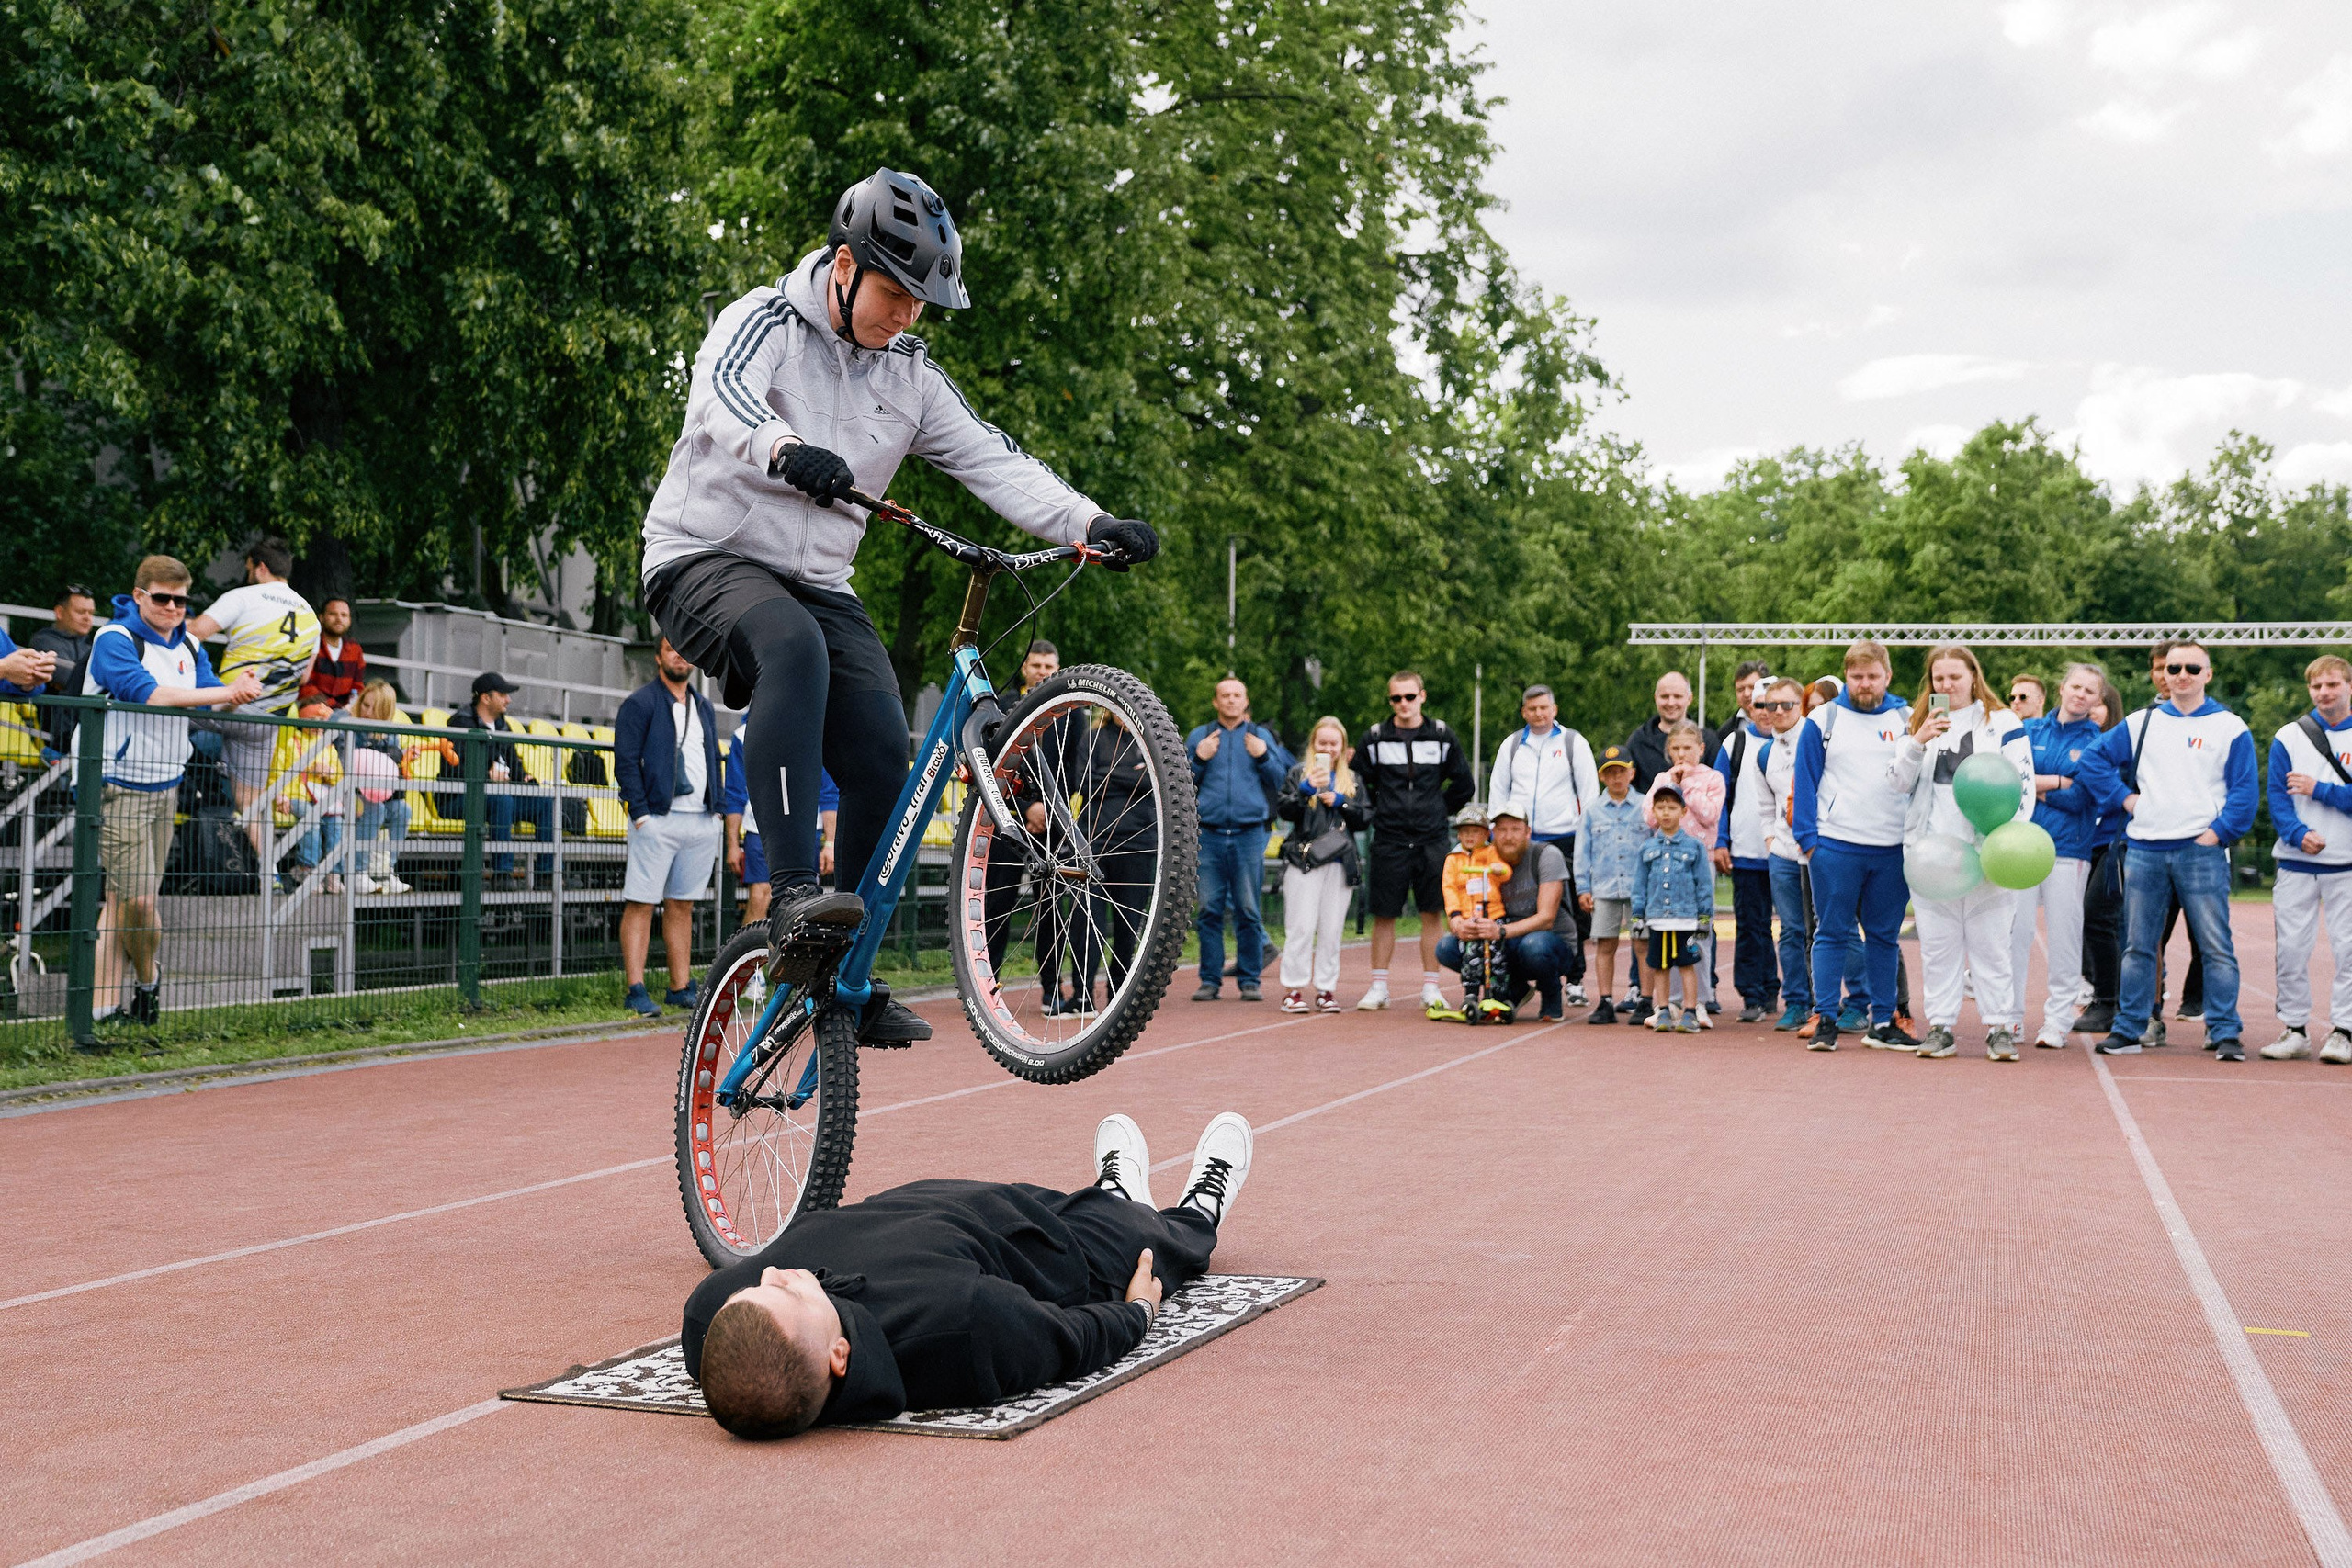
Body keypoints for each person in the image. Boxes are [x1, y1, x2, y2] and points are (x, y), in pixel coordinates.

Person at [638, 168, 1156, 1044]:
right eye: (895, 293)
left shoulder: (910, 375)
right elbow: (720, 399)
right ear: (844, 266)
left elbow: (996, 462)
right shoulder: (761, 320)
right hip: (702, 555)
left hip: (818, 581)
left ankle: (844, 970)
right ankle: (797, 899)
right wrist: (784, 446)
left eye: (923, 302)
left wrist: (1090, 522)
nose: (908, 315)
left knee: (887, 754)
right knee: (791, 647)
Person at [683, 1111, 1253, 1438]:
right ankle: (1199, 1206)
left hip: (948, 1203)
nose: (776, 1271)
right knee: (1154, 1240)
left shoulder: (710, 1316)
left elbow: (739, 1313)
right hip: (1049, 1255)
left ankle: (1116, 1191)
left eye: (760, 1286)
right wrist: (1137, 1312)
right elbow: (1071, 1340)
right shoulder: (965, 1324)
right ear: (839, 1355)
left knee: (1108, 1204)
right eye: (787, 1293)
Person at [85, 558, 264, 1032]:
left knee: (122, 902)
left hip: (167, 787)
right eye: (161, 598)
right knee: (139, 901)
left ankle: (105, 1009)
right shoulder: (114, 639)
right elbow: (149, 694)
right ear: (139, 595)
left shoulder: (188, 642)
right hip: (118, 786)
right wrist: (224, 691)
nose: (171, 607)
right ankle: (145, 983)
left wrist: (240, 691)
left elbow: (210, 696)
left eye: (180, 600)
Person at [2076, 640, 2256, 1058]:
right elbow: (2092, 761)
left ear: (2208, 674)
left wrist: (2218, 833)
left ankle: (2224, 1030)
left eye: (2193, 668)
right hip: (2145, 848)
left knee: (2216, 946)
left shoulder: (2230, 727)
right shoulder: (2142, 722)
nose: (2182, 675)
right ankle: (2129, 1027)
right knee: (2138, 945)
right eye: (2174, 667)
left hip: (2201, 851)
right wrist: (2124, 799)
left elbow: (2245, 792)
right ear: (2163, 673)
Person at [1890, 644, 2033, 1061]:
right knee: (1938, 947)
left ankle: (1999, 1027)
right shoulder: (1918, 723)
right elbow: (1897, 782)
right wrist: (1917, 742)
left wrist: (2005, 842)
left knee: (1991, 947)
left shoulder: (2003, 721)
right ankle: (1940, 1026)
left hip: (1988, 853)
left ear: (1974, 676)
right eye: (1939, 678)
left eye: (1955, 676)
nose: (1947, 685)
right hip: (1934, 856)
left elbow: (2022, 787)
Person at [1792, 639, 1917, 1052]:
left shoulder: (1907, 718)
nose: (1864, 684)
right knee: (1831, 933)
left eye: (1872, 676)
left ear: (1888, 675)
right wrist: (1810, 842)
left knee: (1883, 937)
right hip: (1836, 846)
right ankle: (1826, 1017)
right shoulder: (1823, 718)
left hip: (1891, 848)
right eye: (1857, 676)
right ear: (1846, 676)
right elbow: (1805, 781)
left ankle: (1882, 1021)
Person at [187, 539, 320, 866]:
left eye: (248, 569)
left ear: (260, 567)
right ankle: (270, 873)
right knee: (251, 802)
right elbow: (304, 679)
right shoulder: (311, 616)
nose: (248, 575)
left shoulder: (242, 597)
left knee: (159, 709)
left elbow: (192, 634)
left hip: (229, 707)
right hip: (267, 721)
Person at [1353, 671, 1476, 1011]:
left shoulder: (1441, 735)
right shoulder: (1375, 738)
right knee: (1384, 915)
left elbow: (1464, 784)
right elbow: (1358, 783)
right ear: (1390, 701)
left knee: (1432, 913)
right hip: (1389, 839)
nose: (1403, 704)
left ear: (1422, 696)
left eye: (1409, 697)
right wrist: (1381, 810)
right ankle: (1379, 986)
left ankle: (1431, 988)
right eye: (1396, 698)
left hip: (1432, 838)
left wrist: (1437, 811)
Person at [616, 638, 725, 1017]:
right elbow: (626, 762)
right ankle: (635, 988)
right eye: (671, 648)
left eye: (686, 649)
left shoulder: (704, 707)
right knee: (642, 902)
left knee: (682, 904)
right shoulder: (641, 703)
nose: (679, 655)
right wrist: (641, 814)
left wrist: (718, 809)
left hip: (700, 820)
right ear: (659, 656)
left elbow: (714, 757)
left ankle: (679, 986)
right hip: (658, 819)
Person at [2260, 654, 2352, 1063]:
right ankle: (2294, 1028)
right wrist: (2297, 833)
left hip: (2347, 862)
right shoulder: (2289, 736)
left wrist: (2320, 789)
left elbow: (2311, 791)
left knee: (2348, 949)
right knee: (2292, 949)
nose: (2324, 693)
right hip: (2297, 862)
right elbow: (2277, 798)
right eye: (2316, 686)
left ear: (2348, 686)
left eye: (2332, 684)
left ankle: (2344, 1030)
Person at [2009, 662, 2104, 1048]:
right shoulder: (2029, 730)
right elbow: (2011, 780)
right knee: (2014, 935)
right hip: (2020, 846)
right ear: (2061, 689)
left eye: (2090, 691)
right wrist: (2057, 782)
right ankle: (2009, 1018)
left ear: (2098, 699)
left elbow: (2083, 796)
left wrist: (2036, 785)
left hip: (2069, 850)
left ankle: (2057, 1022)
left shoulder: (2098, 741)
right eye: (2075, 686)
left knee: (2065, 939)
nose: (2080, 694)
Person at [1487, 683, 1599, 1003]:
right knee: (1513, 903)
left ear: (1554, 709)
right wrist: (1499, 834)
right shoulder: (1511, 745)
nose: (1538, 714)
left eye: (1544, 708)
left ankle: (1575, 979)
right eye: (1532, 709)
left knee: (1572, 909)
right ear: (1524, 712)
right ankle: (1514, 976)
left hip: (1564, 837)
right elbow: (1499, 790)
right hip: (1520, 840)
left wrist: (1586, 835)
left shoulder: (1572, 742)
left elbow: (1588, 792)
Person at [1186, 677, 1291, 1002]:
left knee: (1248, 908)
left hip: (1249, 834)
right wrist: (1200, 758)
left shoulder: (1260, 737)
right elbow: (1181, 781)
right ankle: (1210, 980)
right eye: (1224, 696)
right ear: (1216, 702)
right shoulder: (1200, 736)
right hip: (1209, 835)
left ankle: (1249, 979)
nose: (1231, 701)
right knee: (1209, 910)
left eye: (1237, 695)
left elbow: (1283, 780)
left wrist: (1262, 756)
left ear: (1246, 702)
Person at [1275, 716, 1364, 1014]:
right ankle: (1294, 988)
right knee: (1300, 926)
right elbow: (1284, 811)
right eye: (1322, 742)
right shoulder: (1298, 773)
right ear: (1314, 744)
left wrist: (1342, 802)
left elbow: (1364, 818)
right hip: (1303, 860)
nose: (1328, 748)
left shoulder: (1352, 779)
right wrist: (1304, 790)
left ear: (1343, 747)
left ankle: (1326, 989)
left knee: (1332, 929)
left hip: (1339, 862)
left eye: (1333, 743)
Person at [1645, 720, 1723, 1025]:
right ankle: (1670, 1003)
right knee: (1666, 935)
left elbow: (1709, 814)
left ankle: (1699, 1001)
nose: (1681, 754)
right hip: (1664, 868)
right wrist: (1671, 785)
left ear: (1700, 749)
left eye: (1687, 748)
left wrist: (1687, 784)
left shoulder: (1712, 778)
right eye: (1675, 748)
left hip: (1698, 866)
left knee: (1698, 934)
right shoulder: (1662, 779)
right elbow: (1650, 817)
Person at [1712, 667, 1779, 1022]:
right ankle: (1754, 995)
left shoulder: (1799, 740)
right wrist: (1720, 841)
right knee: (1752, 927)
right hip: (1746, 852)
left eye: (1774, 704)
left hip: (1788, 853)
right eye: (1759, 705)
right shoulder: (1733, 744)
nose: (1767, 712)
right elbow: (1720, 798)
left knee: (1798, 931)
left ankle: (1792, 993)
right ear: (1749, 708)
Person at [1753, 677, 1815, 1032]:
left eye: (1786, 705)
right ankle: (1796, 1002)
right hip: (1782, 853)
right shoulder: (1764, 753)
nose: (1777, 712)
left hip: (1819, 850)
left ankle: (1845, 1003)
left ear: (1801, 706)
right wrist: (1769, 841)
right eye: (1768, 705)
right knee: (1790, 931)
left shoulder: (1818, 738)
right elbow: (1765, 806)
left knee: (1827, 929)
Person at [454, 671, 556, 887]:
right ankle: (502, 874)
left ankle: (546, 875)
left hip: (494, 798)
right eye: (503, 694)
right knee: (502, 799)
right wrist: (487, 776)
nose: (508, 699)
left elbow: (513, 763)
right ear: (485, 697)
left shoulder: (503, 725)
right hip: (459, 798)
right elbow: (453, 768)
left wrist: (524, 778)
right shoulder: (460, 722)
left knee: (546, 803)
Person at [1474, 808, 1573, 1020]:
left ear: (1527, 832)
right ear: (1492, 833)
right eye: (1502, 830)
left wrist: (1499, 931)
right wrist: (1460, 924)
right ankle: (1516, 988)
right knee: (1449, 948)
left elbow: (1546, 918)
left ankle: (1551, 991)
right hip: (1505, 939)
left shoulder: (1546, 855)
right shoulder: (1482, 858)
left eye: (1515, 829)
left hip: (1549, 941)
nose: (1508, 836)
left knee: (1534, 947)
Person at [1633, 785, 1713, 1033]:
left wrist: (1704, 916)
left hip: (1686, 919)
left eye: (1672, 807)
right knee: (1660, 965)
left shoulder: (1694, 847)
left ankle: (1690, 1011)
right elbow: (1640, 884)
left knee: (1687, 964)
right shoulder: (1647, 848)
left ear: (1683, 811)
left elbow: (1703, 884)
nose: (1666, 813)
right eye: (1660, 807)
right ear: (1653, 811)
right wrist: (1637, 914)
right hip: (1658, 919)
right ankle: (1664, 1009)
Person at [2074, 676, 2129, 1037]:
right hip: (2081, 842)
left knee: (2100, 916)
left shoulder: (2122, 747)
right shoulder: (2075, 743)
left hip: (2115, 841)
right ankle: (2103, 993)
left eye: (2098, 703)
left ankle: (2110, 1001)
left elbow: (2113, 794)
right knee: (2082, 920)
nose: (2090, 709)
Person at [1577, 745, 1646, 1024]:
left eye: (1621, 771)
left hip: (1638, 889)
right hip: (1605, 887)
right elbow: (1583, 851)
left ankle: (1646, 999)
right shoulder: (1593, 810)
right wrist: (1583, 887)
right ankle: (1605, 1000)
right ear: (1602, 777)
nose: (1617, 778)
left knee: (1642, 944)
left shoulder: (1646, 805)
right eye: (1610, 773)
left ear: (1632, 773)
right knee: (1605, 944)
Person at [1436, 804, 1513, 1019]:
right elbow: (1449, 888)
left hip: (1492, 915)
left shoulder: (1491, 853)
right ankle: (1471, 993)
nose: (1470, 836)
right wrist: (1455, 916)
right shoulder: (1453, 860)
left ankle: (1499, 994)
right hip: (1469, 919)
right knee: (1471, 955)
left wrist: (1499, 869)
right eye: (1465, 832)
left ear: (1485, 833)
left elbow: (1505, 872)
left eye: (1475, 831)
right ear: (1458, 834)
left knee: (1496, 956)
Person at [348, 680, 413, 896]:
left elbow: (393, 769)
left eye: (374, 709)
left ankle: (387, 872)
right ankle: (358, 873)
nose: (367, 712)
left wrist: (401, 758)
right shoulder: (350, 725)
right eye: (365, 705)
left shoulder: (390, 733)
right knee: (375, 809)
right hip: (350, 793)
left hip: (376, 793)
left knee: (402, 810)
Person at [29, 583, 94, 755]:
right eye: (81, 612)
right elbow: (67, 678)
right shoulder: (43, 641)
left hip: (88, 728)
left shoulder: (92, 645)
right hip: (57, 734)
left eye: (91, 613)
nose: (88, 618)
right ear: (59, 613)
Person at [1625, 671, 1709, 792]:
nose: (1671, 703)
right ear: (1655, 698)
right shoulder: (1638, 742)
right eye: (1665, 696)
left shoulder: (1708, 740)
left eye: (1677, 696)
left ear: (1689, 698)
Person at [300, 597, 367, 710]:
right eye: (333, 614)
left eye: (344, 615)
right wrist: (334, 707)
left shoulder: (355, 649)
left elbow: (358, 687)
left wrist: (352, 707)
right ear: (321, 617)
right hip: (312, 709)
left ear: (349, 620)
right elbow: (306, 688)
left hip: (347, 712)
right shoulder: (311, 644)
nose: (339, 619)